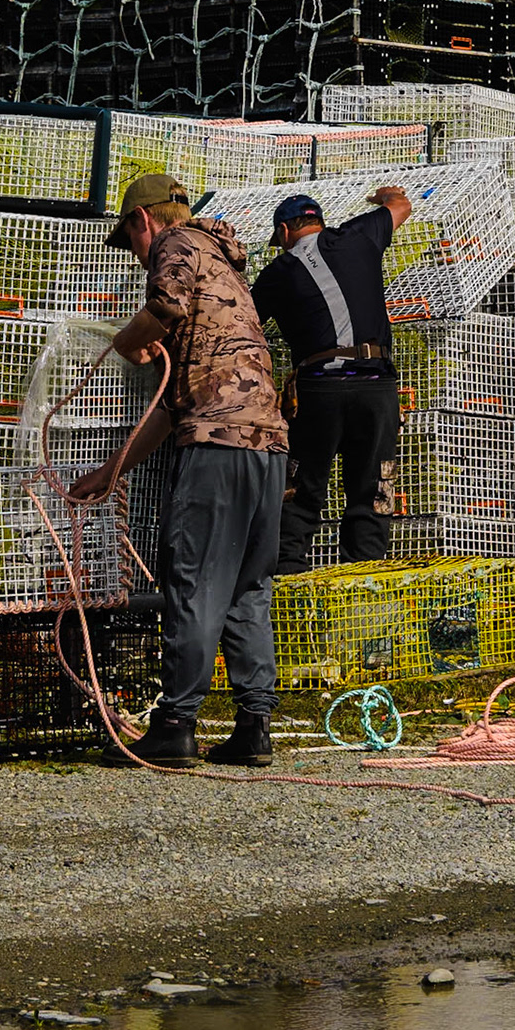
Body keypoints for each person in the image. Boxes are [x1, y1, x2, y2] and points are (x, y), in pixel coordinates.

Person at [71, 173, 289, 769]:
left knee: (193, 580)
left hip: (217, 448)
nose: (137, 255)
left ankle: (175, 725)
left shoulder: (176, 243)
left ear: (143, 221)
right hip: (268, 445)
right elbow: (171, 409)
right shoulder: (225, 269)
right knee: (247, 586)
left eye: (131, 241)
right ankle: (254, 726)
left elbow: (162, 306)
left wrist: (128, 341)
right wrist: (112, 471)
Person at [249, 184, 413, 575]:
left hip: (319, 391)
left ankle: (289, 580)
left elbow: (245, 324)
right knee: (373, 491)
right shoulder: (360, 235)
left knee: (301, 490)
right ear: (319, 222)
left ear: (284, 231)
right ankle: (364, 582)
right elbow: (401, 205)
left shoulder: (278, 272)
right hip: (376, 386)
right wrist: (382, 195)